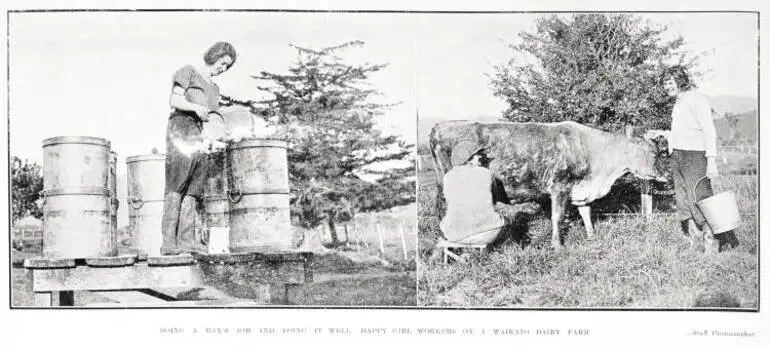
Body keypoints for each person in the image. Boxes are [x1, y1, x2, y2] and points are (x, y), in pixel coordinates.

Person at [160, 41, 237, 256]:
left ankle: (186, 240)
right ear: (213, 56)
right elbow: (174, 99)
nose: (223, 68)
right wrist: (195, 107)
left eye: (227, 67)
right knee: (177, 183)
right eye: (222, 63)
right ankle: (168, 243)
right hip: (182, 128)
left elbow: (214, 119)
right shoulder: (188, 72)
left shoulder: (215, 88)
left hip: (203, 136)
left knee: (194, 187)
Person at [661, 65, 739, 253]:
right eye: (664, 83)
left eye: (670, 82)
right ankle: (695, 243)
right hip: (677, 155)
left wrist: (711, 161)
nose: (667, 87)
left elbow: (708, 131)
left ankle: (715, 243)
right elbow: (683, 132)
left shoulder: (697, 99)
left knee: (700, 198)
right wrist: (664, 135)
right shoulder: (678, 103)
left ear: (680, 81)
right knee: (683, 200)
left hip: (695, 156)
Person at [438, 141, 523, 246]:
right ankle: (501, 247)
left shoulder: (447, 178)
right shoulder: (487, 173)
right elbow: (494, 201)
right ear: (468, 159)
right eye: (476, 155)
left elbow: (450, 202)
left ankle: (466, 249)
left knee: (445, 223)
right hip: (487, 235)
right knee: (506, 221)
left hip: (455, 236)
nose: (480, 157)